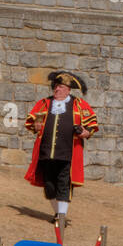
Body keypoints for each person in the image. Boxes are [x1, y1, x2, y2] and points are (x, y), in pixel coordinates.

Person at [24, 71, 99, 229]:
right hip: (46, 152)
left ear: (68, 90)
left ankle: (62, 217)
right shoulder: (44, 103)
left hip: (68, 153)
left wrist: (86, 132)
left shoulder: (79, 104)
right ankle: (58, 213)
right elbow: (31, 121)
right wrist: (35, 125)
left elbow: (91, 124)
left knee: (64, 184)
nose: (57, 89)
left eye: (61, 87)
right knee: (49, 186)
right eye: (55, 87)